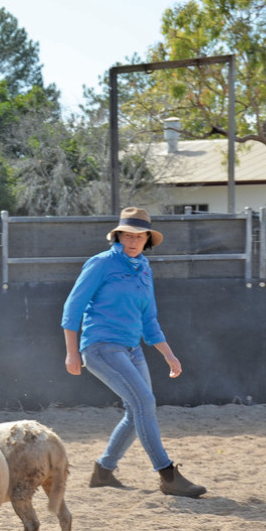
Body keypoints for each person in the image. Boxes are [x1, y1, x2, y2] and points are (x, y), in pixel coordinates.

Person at [61, 207, 206, 498]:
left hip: (132, 349)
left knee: (137, 409)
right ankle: (167, 475)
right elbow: (72, 307)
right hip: (100, 347)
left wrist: (168, 354)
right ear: (118, 236)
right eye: (128, 234)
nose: (133, 240)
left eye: (140, 236)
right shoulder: (101, 263)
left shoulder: (143, 268)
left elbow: (149, 319)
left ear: (147, 240)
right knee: (144, 402)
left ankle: (103, 471)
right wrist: (72, 352)